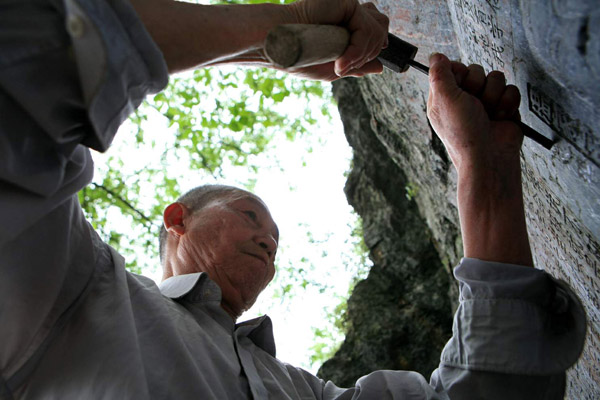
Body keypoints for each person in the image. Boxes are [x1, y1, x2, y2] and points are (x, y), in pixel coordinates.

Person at [0, 0, 586, 398]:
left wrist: (485, 168)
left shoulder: (301, 391)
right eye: (251, 216)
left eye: (275, 237)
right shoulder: (73, 293)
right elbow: (22, 67)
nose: (267, 240)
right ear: (176, 219)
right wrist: (271, 29)